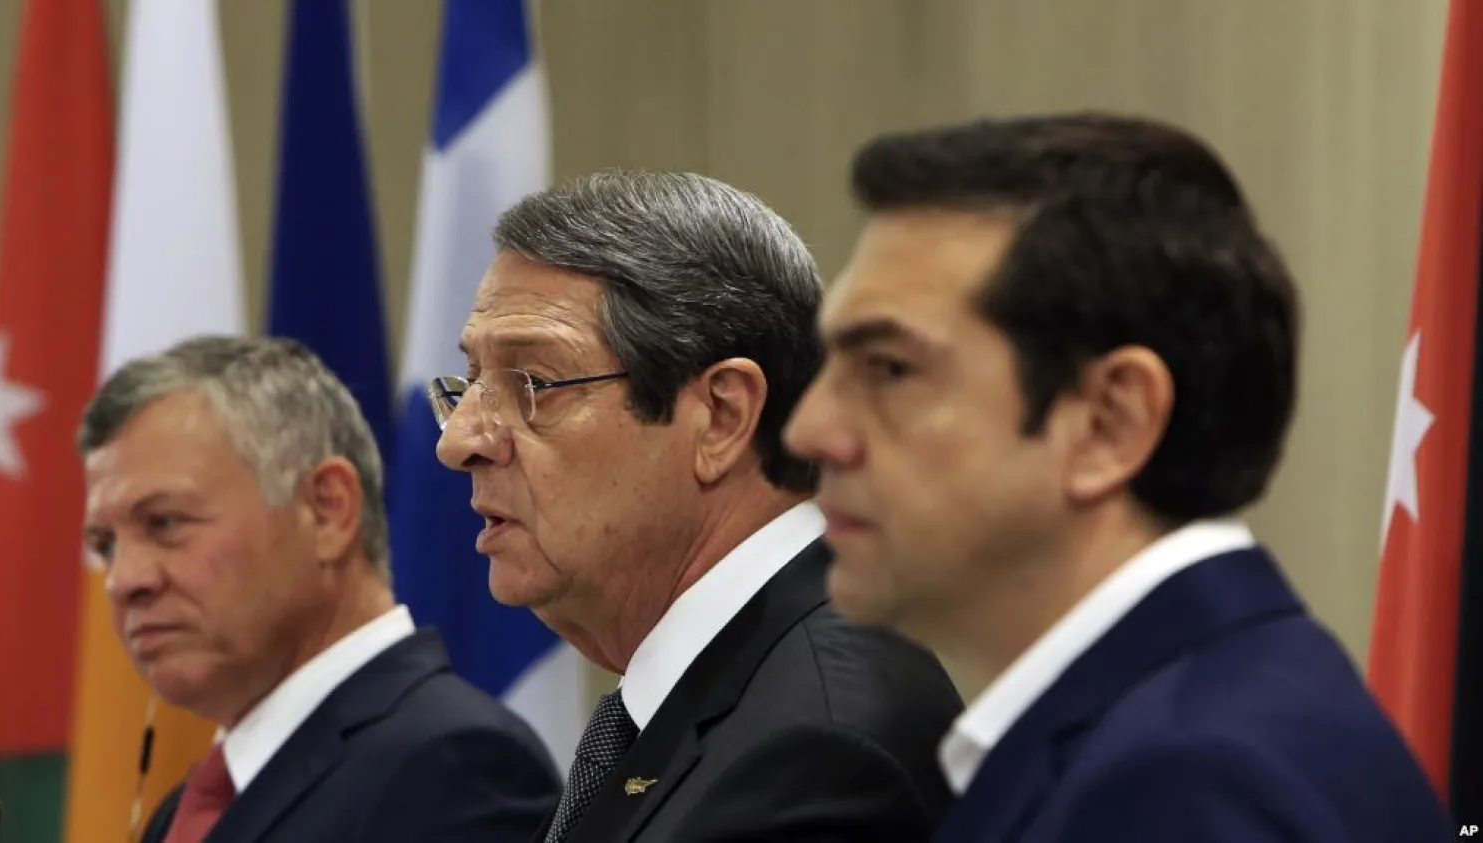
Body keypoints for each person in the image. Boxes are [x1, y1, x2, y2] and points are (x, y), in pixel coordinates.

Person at [782, 113, 1455, 842]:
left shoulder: (1185, 788)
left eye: (888, 369)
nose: (810, 430)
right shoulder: (1202, 717)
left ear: (1110, 422)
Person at [432, 169, 963, 843]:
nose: (459, 440)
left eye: (535, 382)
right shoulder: (720, 701)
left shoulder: (816, 752)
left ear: (721, 416)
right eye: (471, 384)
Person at [78, 335, 559, 843]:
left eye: (165, 523)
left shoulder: (454, 768)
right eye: (105, 544)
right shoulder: (181, 813)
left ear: (327, 510)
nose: (125, 580)